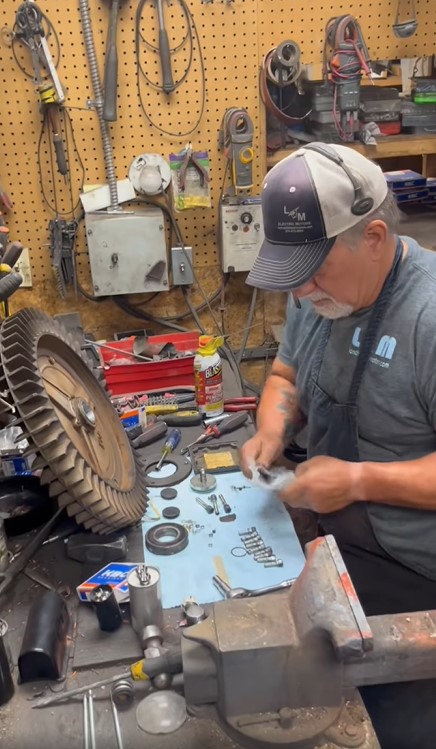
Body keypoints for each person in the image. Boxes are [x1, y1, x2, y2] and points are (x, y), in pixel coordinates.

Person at [240, 143, 436, 749]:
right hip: (331, 547)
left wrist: (356, 480)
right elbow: (285, 375)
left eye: (312, 271)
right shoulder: (317, 293)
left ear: (373, 237)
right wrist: (272, 430)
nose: (300, 293)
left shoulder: (429, 317)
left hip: (415, 579)